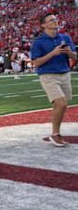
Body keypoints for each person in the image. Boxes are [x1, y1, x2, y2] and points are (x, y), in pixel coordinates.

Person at [31, 13, 77, 147]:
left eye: (56, 19)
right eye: (51, 20)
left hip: (64, 73)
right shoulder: (38, 42)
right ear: (43, 25)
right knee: (61, 103)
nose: (55, 21)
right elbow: (37, 62)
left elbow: (74, 57)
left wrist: (69, 52)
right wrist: (53, 53)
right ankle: (55, 134)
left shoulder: (65, 38)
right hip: (48, 75)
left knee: (61, 105)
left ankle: (55, 132)